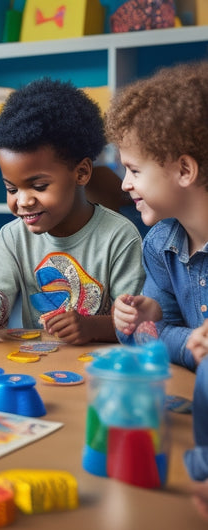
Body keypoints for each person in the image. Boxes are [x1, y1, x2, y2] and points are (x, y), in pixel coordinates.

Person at [0, 78, 144, 344]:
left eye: (38, 186)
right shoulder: (12, 237)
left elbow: (133, 323)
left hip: (101, 367)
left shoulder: (119, 236)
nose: (22, 201)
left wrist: (91, 328)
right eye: (11, 189)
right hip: (38, 367)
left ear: (81, 173)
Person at [105, 61, 208, 491]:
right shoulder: (160, 243)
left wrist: (173, 338)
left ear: (184, 171)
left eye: (133, 169)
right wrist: (139, 320)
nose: (125, 184)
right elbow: (145, 338)